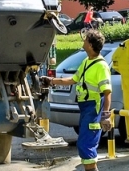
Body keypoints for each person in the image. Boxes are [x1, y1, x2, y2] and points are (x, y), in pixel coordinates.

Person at [40, 29, 111, 171]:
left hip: (93, 108)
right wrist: (51, 81)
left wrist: (105, 116)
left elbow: (107, 92)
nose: (83, 42)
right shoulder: (86, 62)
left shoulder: (101, 66)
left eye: (85, 40)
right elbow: (72, 80)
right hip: (86, 108)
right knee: (84, 144)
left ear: (90, 45)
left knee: (86, 145)